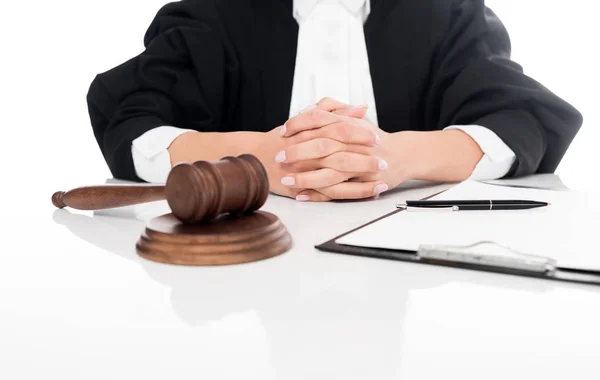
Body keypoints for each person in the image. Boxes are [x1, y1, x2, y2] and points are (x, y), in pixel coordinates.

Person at [87, 0, 582, 202]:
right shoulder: (218, 13)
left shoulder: (442, 13)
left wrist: (399, 157)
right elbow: (130, 123)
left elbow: (526, 119)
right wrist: (255, 160)